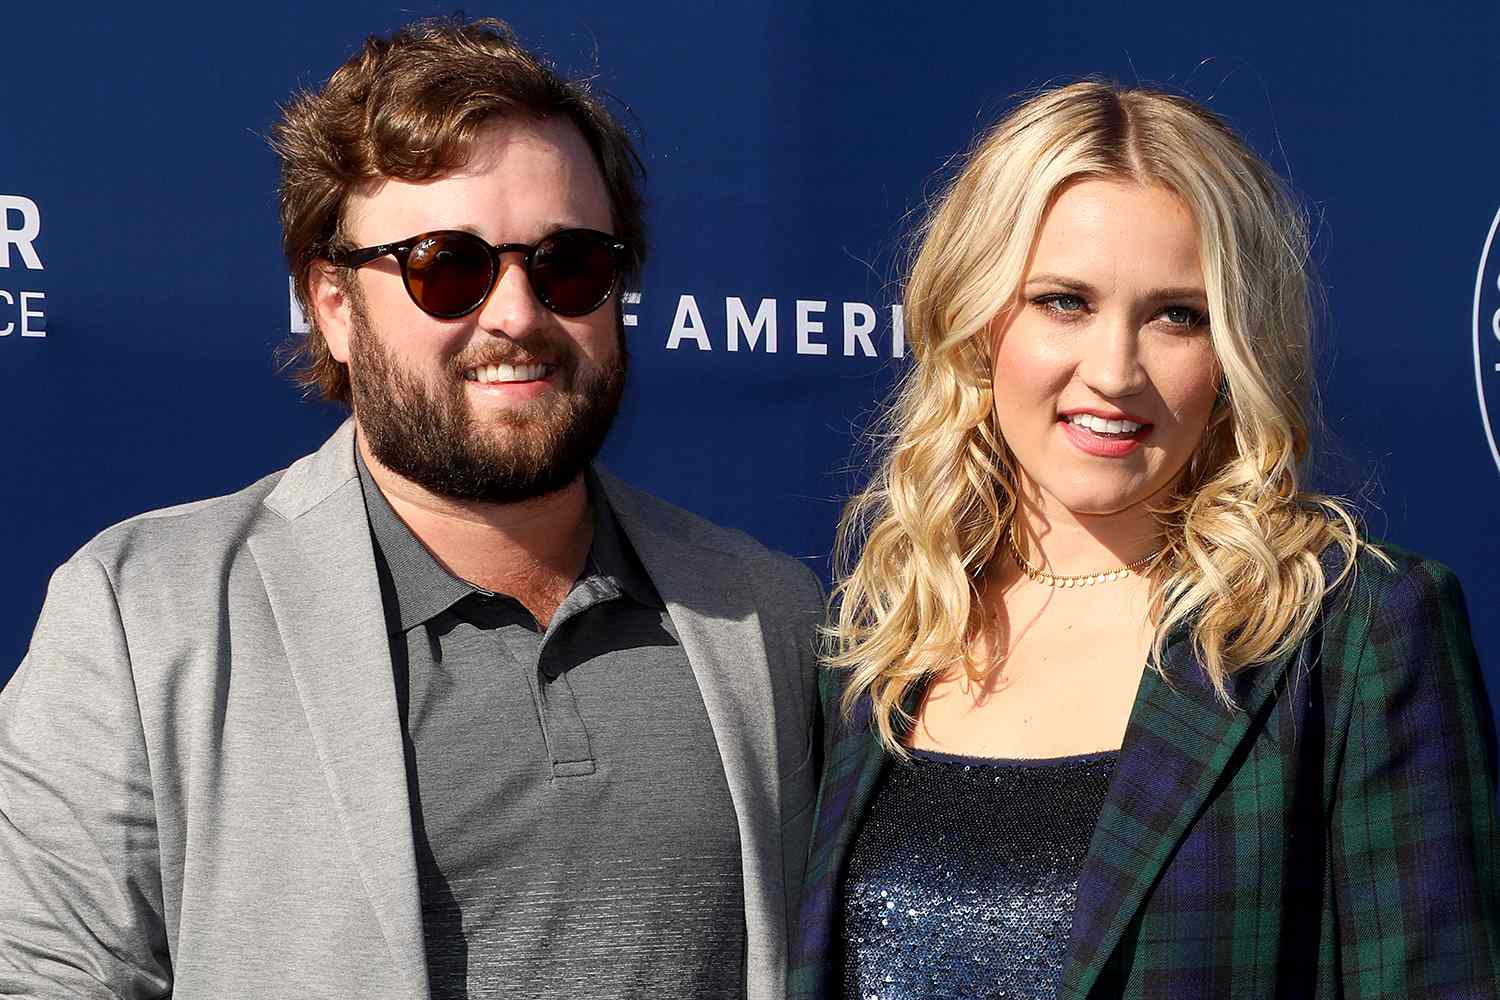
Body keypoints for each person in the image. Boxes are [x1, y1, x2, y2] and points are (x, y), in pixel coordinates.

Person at [0, 18, 821, 1000]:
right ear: (335, 305)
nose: (517, 314)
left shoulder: (766, 613)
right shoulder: (148, 613)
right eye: (447, 266)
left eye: (568, 265)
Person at [790, 81, 1499, 999]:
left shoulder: (1353, 633)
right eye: (1063, 302)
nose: (1116, 372)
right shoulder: (888, 635)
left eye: (1178, 315)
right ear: (978, 320)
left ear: (1237, 348)